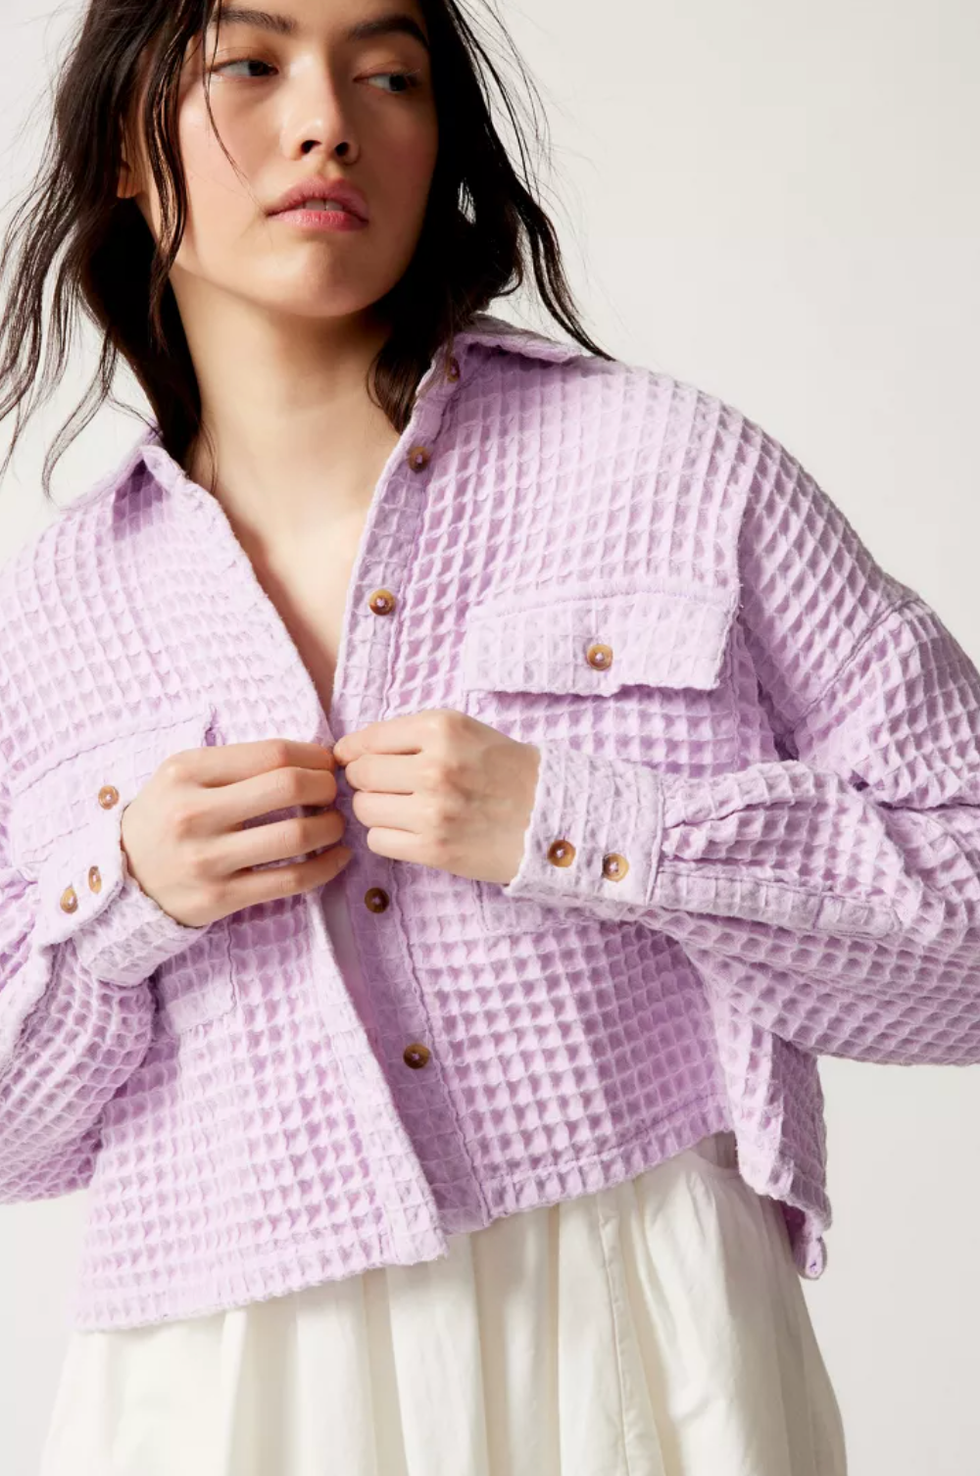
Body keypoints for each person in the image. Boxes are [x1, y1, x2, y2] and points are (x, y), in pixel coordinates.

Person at [3, 1, 976, 1472]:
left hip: (634, 1349)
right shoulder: (51, 614)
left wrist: (592, 829)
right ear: (127, 154)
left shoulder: (675, 473)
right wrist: (125, 897)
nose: (327, 124)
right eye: (251, 66)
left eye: (388, 76)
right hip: (225, 1391)